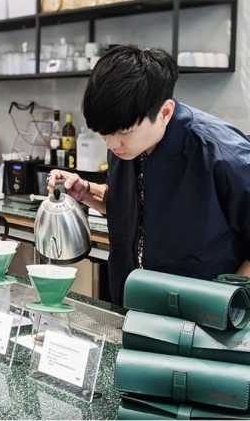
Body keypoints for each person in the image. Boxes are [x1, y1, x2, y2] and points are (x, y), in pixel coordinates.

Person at [48, 44, 250, 305]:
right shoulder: (124, 145)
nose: (111, 143)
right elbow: (134, 204)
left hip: (201, 312)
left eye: (124, 132)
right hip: (133, 301)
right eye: (104, 134)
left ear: (165, 112)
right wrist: (86, 191)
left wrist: (231, 304)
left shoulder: (221, 153)